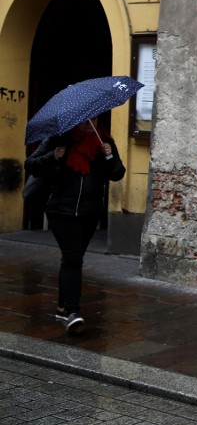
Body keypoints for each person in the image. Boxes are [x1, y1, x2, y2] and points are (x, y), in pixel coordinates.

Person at [24, 115, 125, 334]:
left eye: (94, 120)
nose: (90, 125)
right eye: (84, 121)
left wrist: (109, 157)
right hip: (61, 211)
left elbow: (117, 174)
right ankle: (72, 311)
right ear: (76, 121)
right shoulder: (58, 139)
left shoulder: (104, 142)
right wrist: (53, 156)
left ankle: (62, 307)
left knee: (72, 258)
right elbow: (30, 163)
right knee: (73, 258)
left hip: (90, 212)